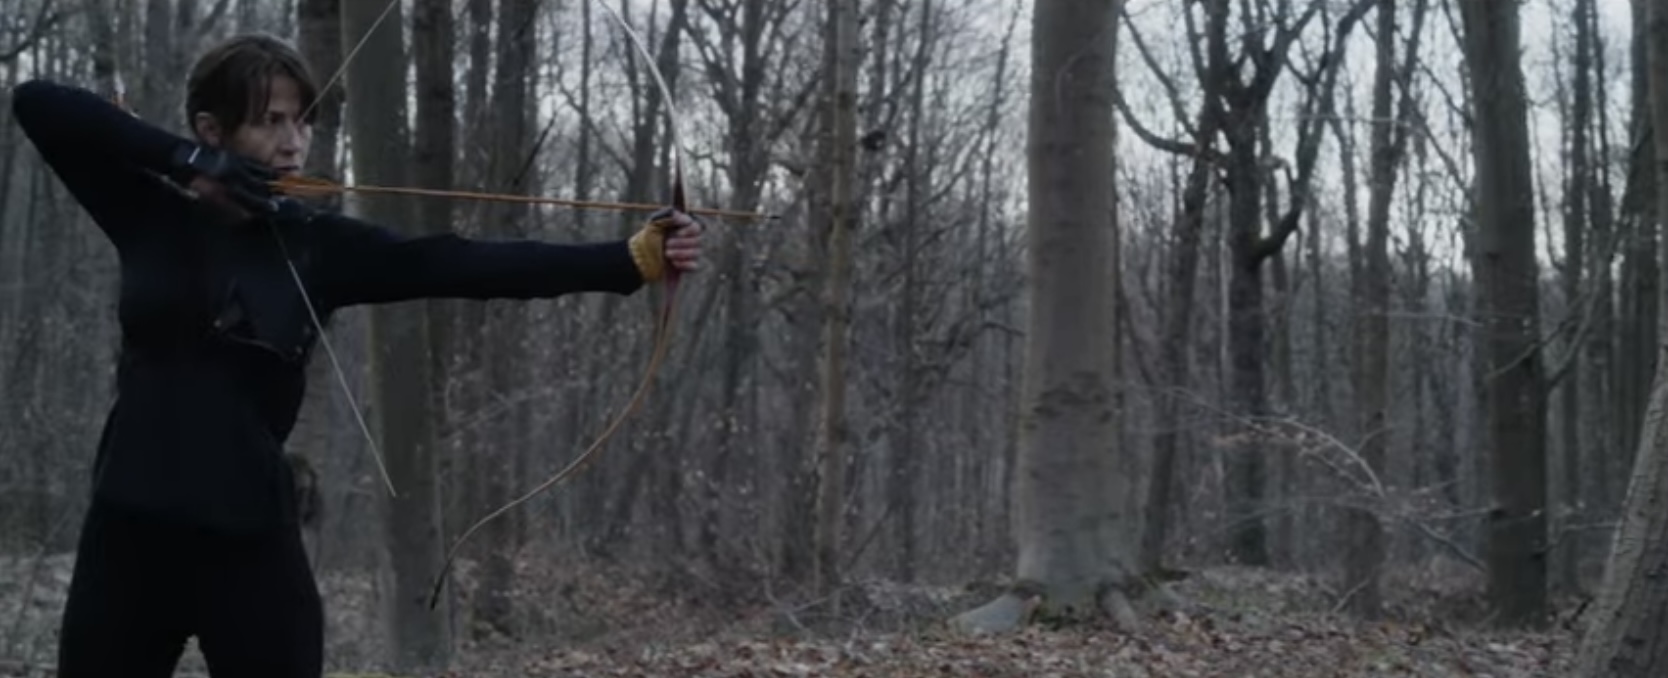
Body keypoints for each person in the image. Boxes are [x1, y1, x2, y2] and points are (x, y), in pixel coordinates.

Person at [10, 33, 702, 678]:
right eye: (271, 121)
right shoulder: (150, 215)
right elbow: (38, 102)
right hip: (130, 534)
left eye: (303, 121)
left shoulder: (322, 246)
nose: (293, 141)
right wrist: (186, 163)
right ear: (212, 130)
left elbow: (463, 264)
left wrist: (630, 259)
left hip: (250, 543)